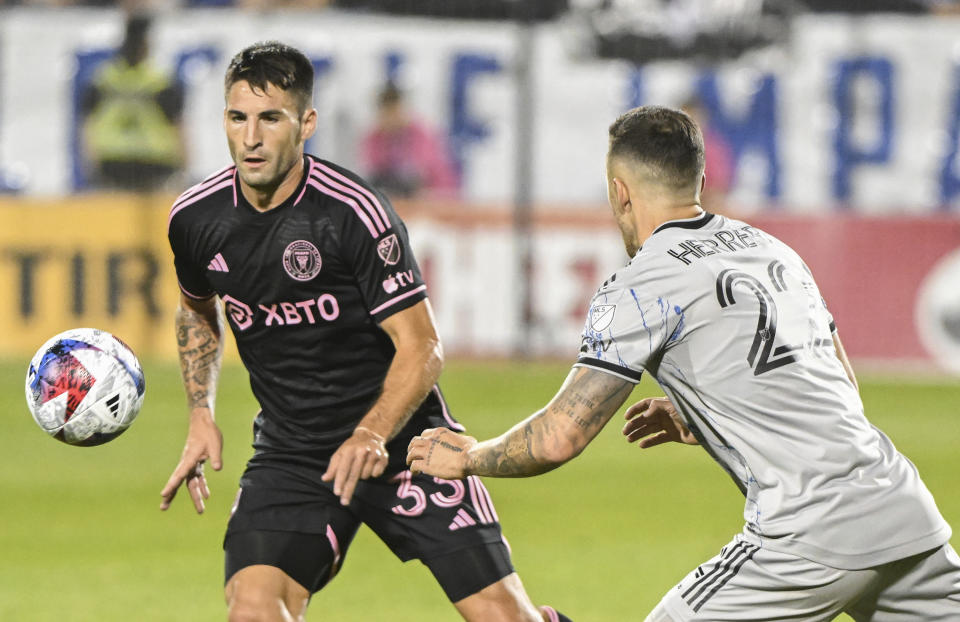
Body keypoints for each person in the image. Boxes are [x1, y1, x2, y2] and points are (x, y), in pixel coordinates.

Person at [407, 105, 960, 620]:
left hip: (807, 533)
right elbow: (837, 382)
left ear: (619, 192)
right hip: (903, 510)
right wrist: (712, 409)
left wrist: (471, 457)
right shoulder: (774, 250)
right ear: (697, 179)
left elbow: (558, 438)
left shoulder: (642, 284)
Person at [160, 41, 571, 622]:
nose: (250, 138)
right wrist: (201, 412)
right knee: (252, 608)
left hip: (404, 442)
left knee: (504, 618)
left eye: (270, 118)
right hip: (293, 454)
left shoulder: (352, 213)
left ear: (306, 123)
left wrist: (372, 433)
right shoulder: (196, 220)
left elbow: (423, 347)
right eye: (237, 118)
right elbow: (197, 310)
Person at [81, 14, 184, 192]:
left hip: (112, 160)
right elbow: (178, 125)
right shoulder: (159, 81)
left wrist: (90, 163)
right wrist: (184, 165)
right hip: (155, 161)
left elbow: (88, 123)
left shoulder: (104, 79)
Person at [359, 81, 459, 199]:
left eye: (395, 111)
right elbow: (374, 171)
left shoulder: (421, 134)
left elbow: (428, 172)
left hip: (430, 198)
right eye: (387, 113)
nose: (391, 118)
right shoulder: (374, 137)